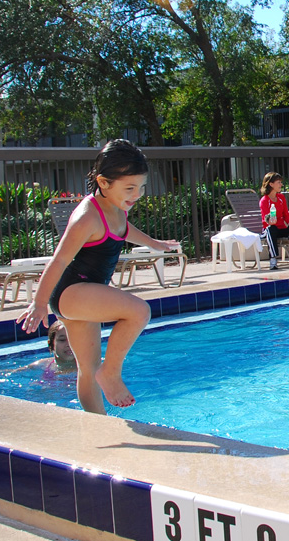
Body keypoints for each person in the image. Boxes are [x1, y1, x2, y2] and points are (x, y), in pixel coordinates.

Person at [17, 139, 180, 413]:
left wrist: (154, 243)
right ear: (104, 182)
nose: (137, 194)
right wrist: (39, 302)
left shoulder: (116, 206)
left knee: (87, 369)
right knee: (139, 312)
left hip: (84, 293)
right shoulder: (87, 217)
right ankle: (112, 373)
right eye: (130, 188)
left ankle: (98, 423)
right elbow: (58, 261)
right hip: (72, 291)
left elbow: (123, 230)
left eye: (141, 187)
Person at [259, 171, 289, 271]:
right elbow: (265, 220)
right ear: (271, 184)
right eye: (278, 182)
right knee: (271, 229)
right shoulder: (264, 200)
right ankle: (273, 259)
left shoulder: (281, 198)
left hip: (282, 228)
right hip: (270, 228)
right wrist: (270, 221)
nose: (281, 184)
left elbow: (286, 216)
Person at [13, 321, 78, 377]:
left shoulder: (87, 367)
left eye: (73, 339)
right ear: (51, 344)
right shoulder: (41, 365)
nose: (69, 344)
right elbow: (13, 373)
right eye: (62, 340)